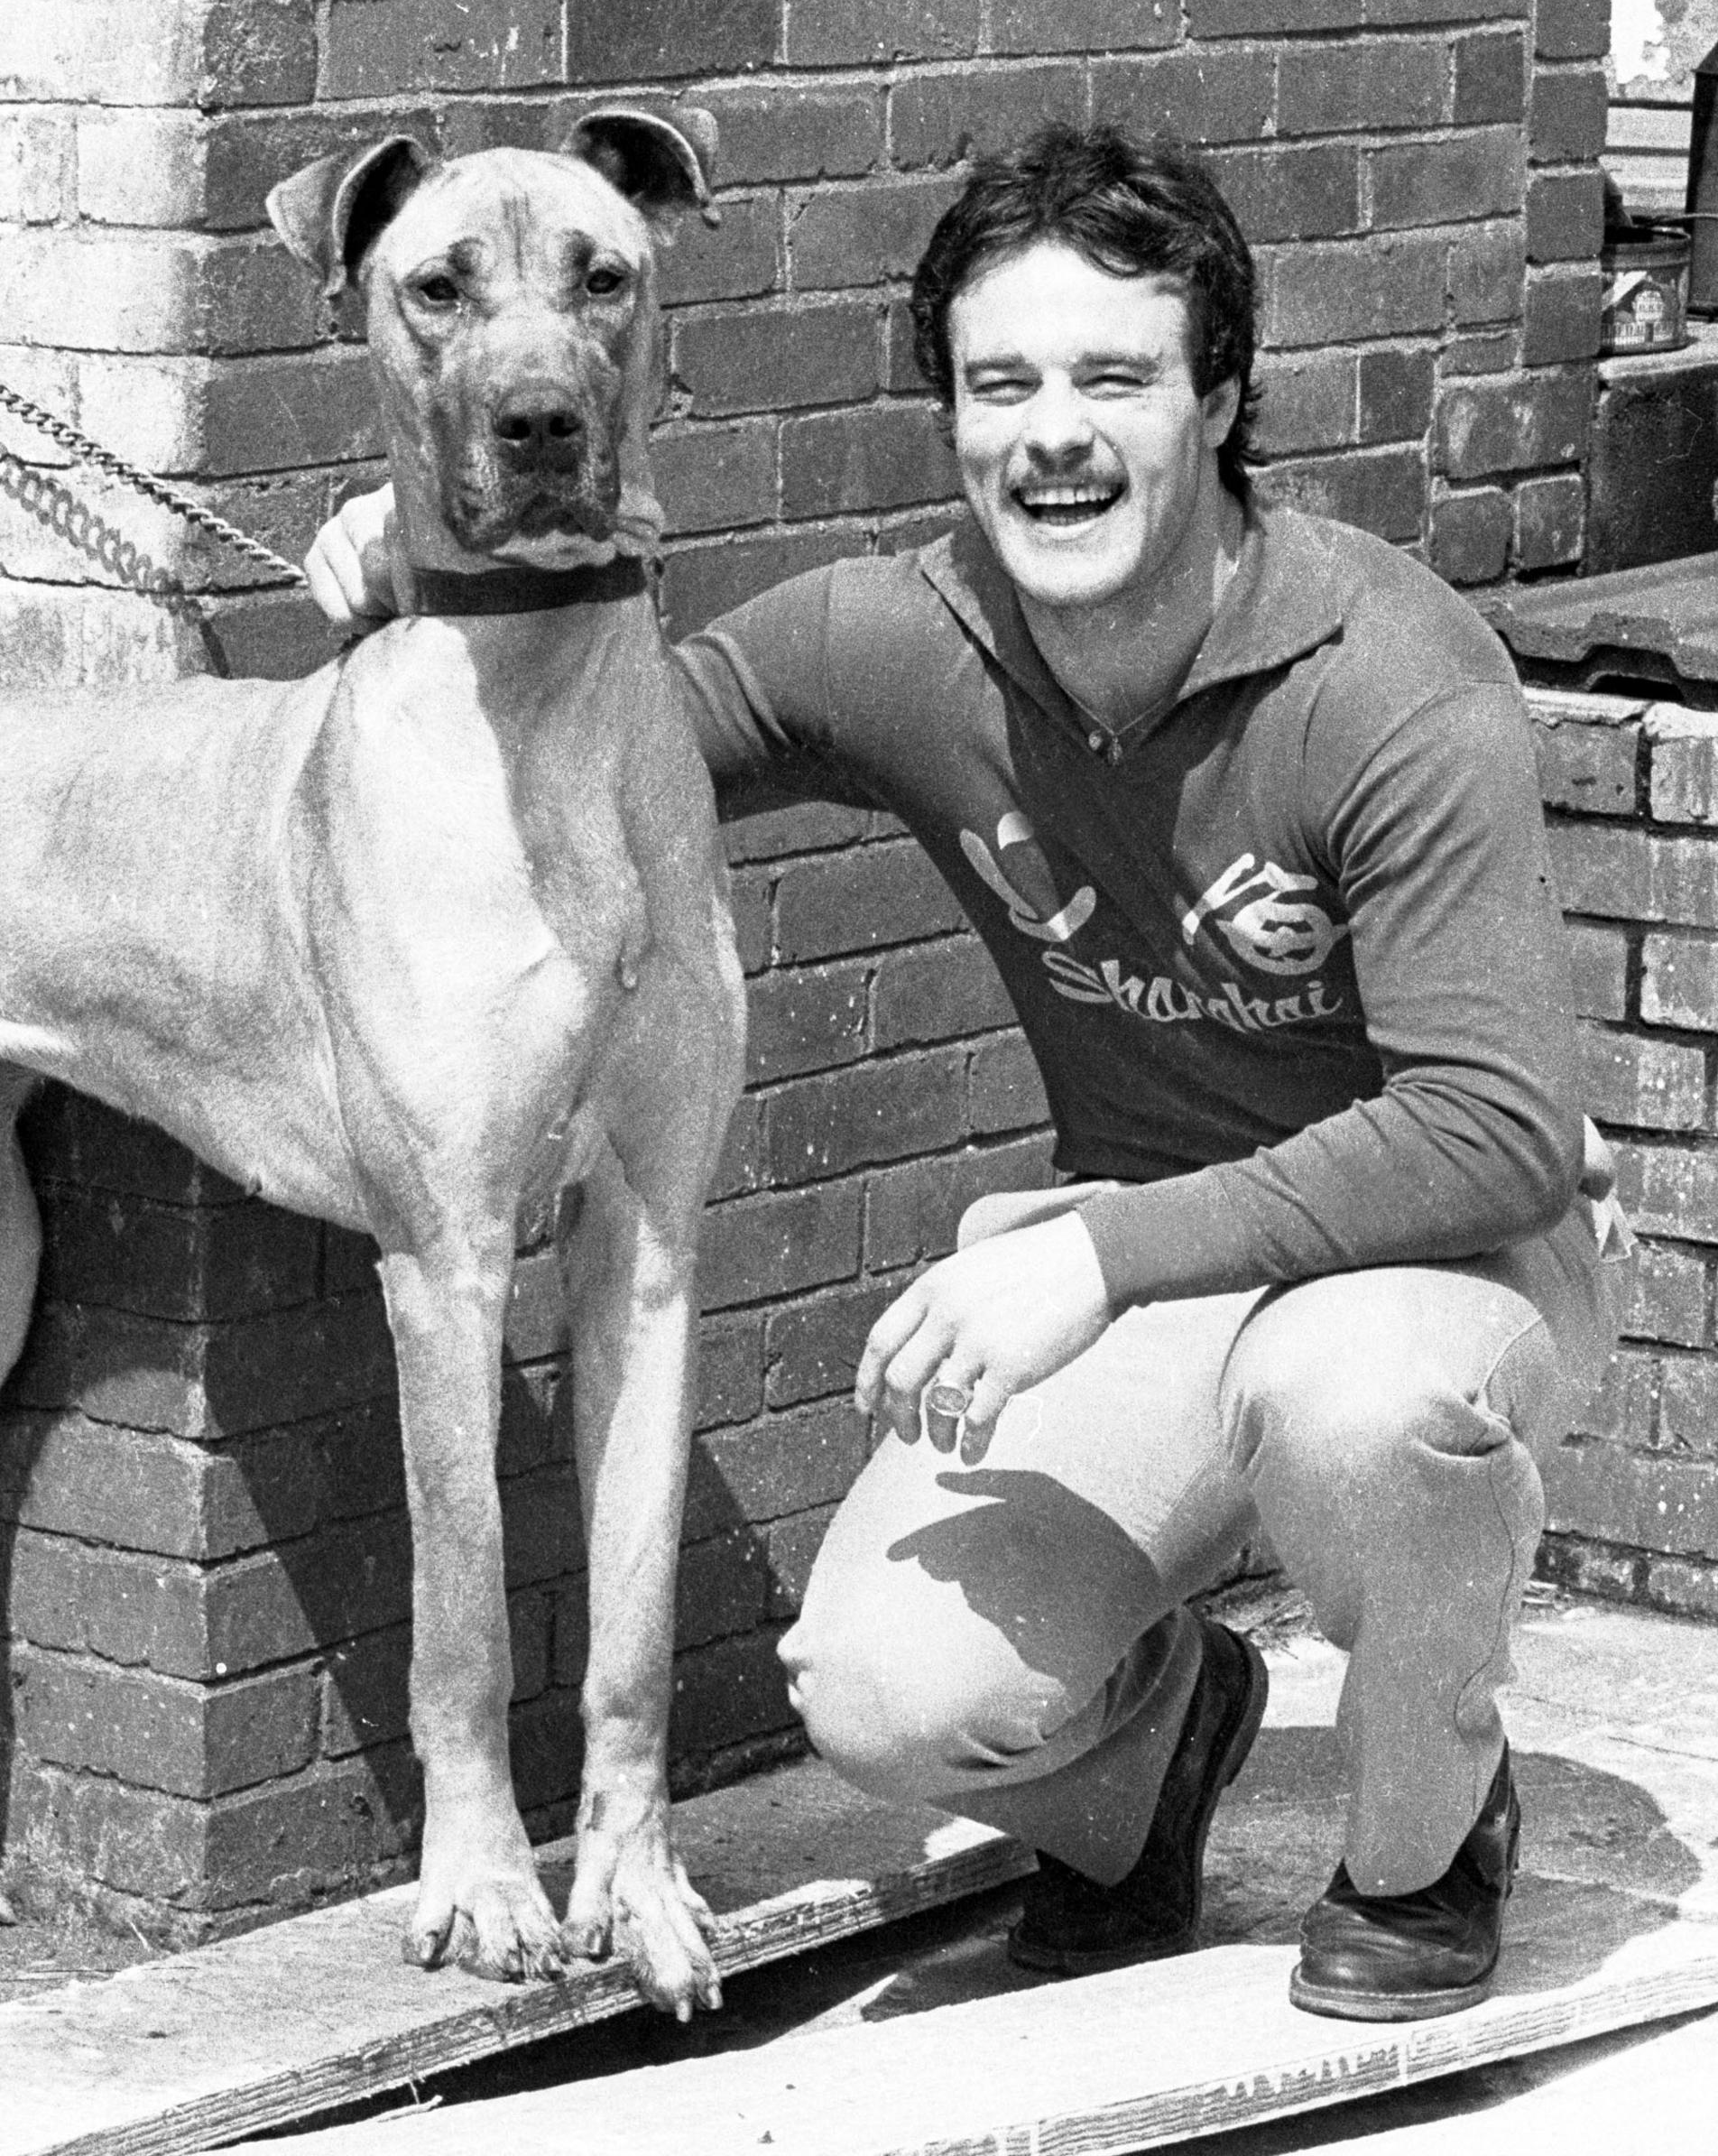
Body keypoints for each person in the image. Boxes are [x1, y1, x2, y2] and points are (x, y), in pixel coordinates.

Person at [305, 120, 1632, 2021]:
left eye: (1114, 377)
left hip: (1449, 1257)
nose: (1054, 434)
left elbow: (1495, 1126)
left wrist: (1086, 1257)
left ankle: (1426, 1845)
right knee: (879, 1689)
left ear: (1222, 396)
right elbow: (615, 733)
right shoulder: (907, 638)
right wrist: (428, 572)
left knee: (1362, 1408)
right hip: (1168, 1275)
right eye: (1002, 384)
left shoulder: (1386, 667)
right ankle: (1155, 1751)